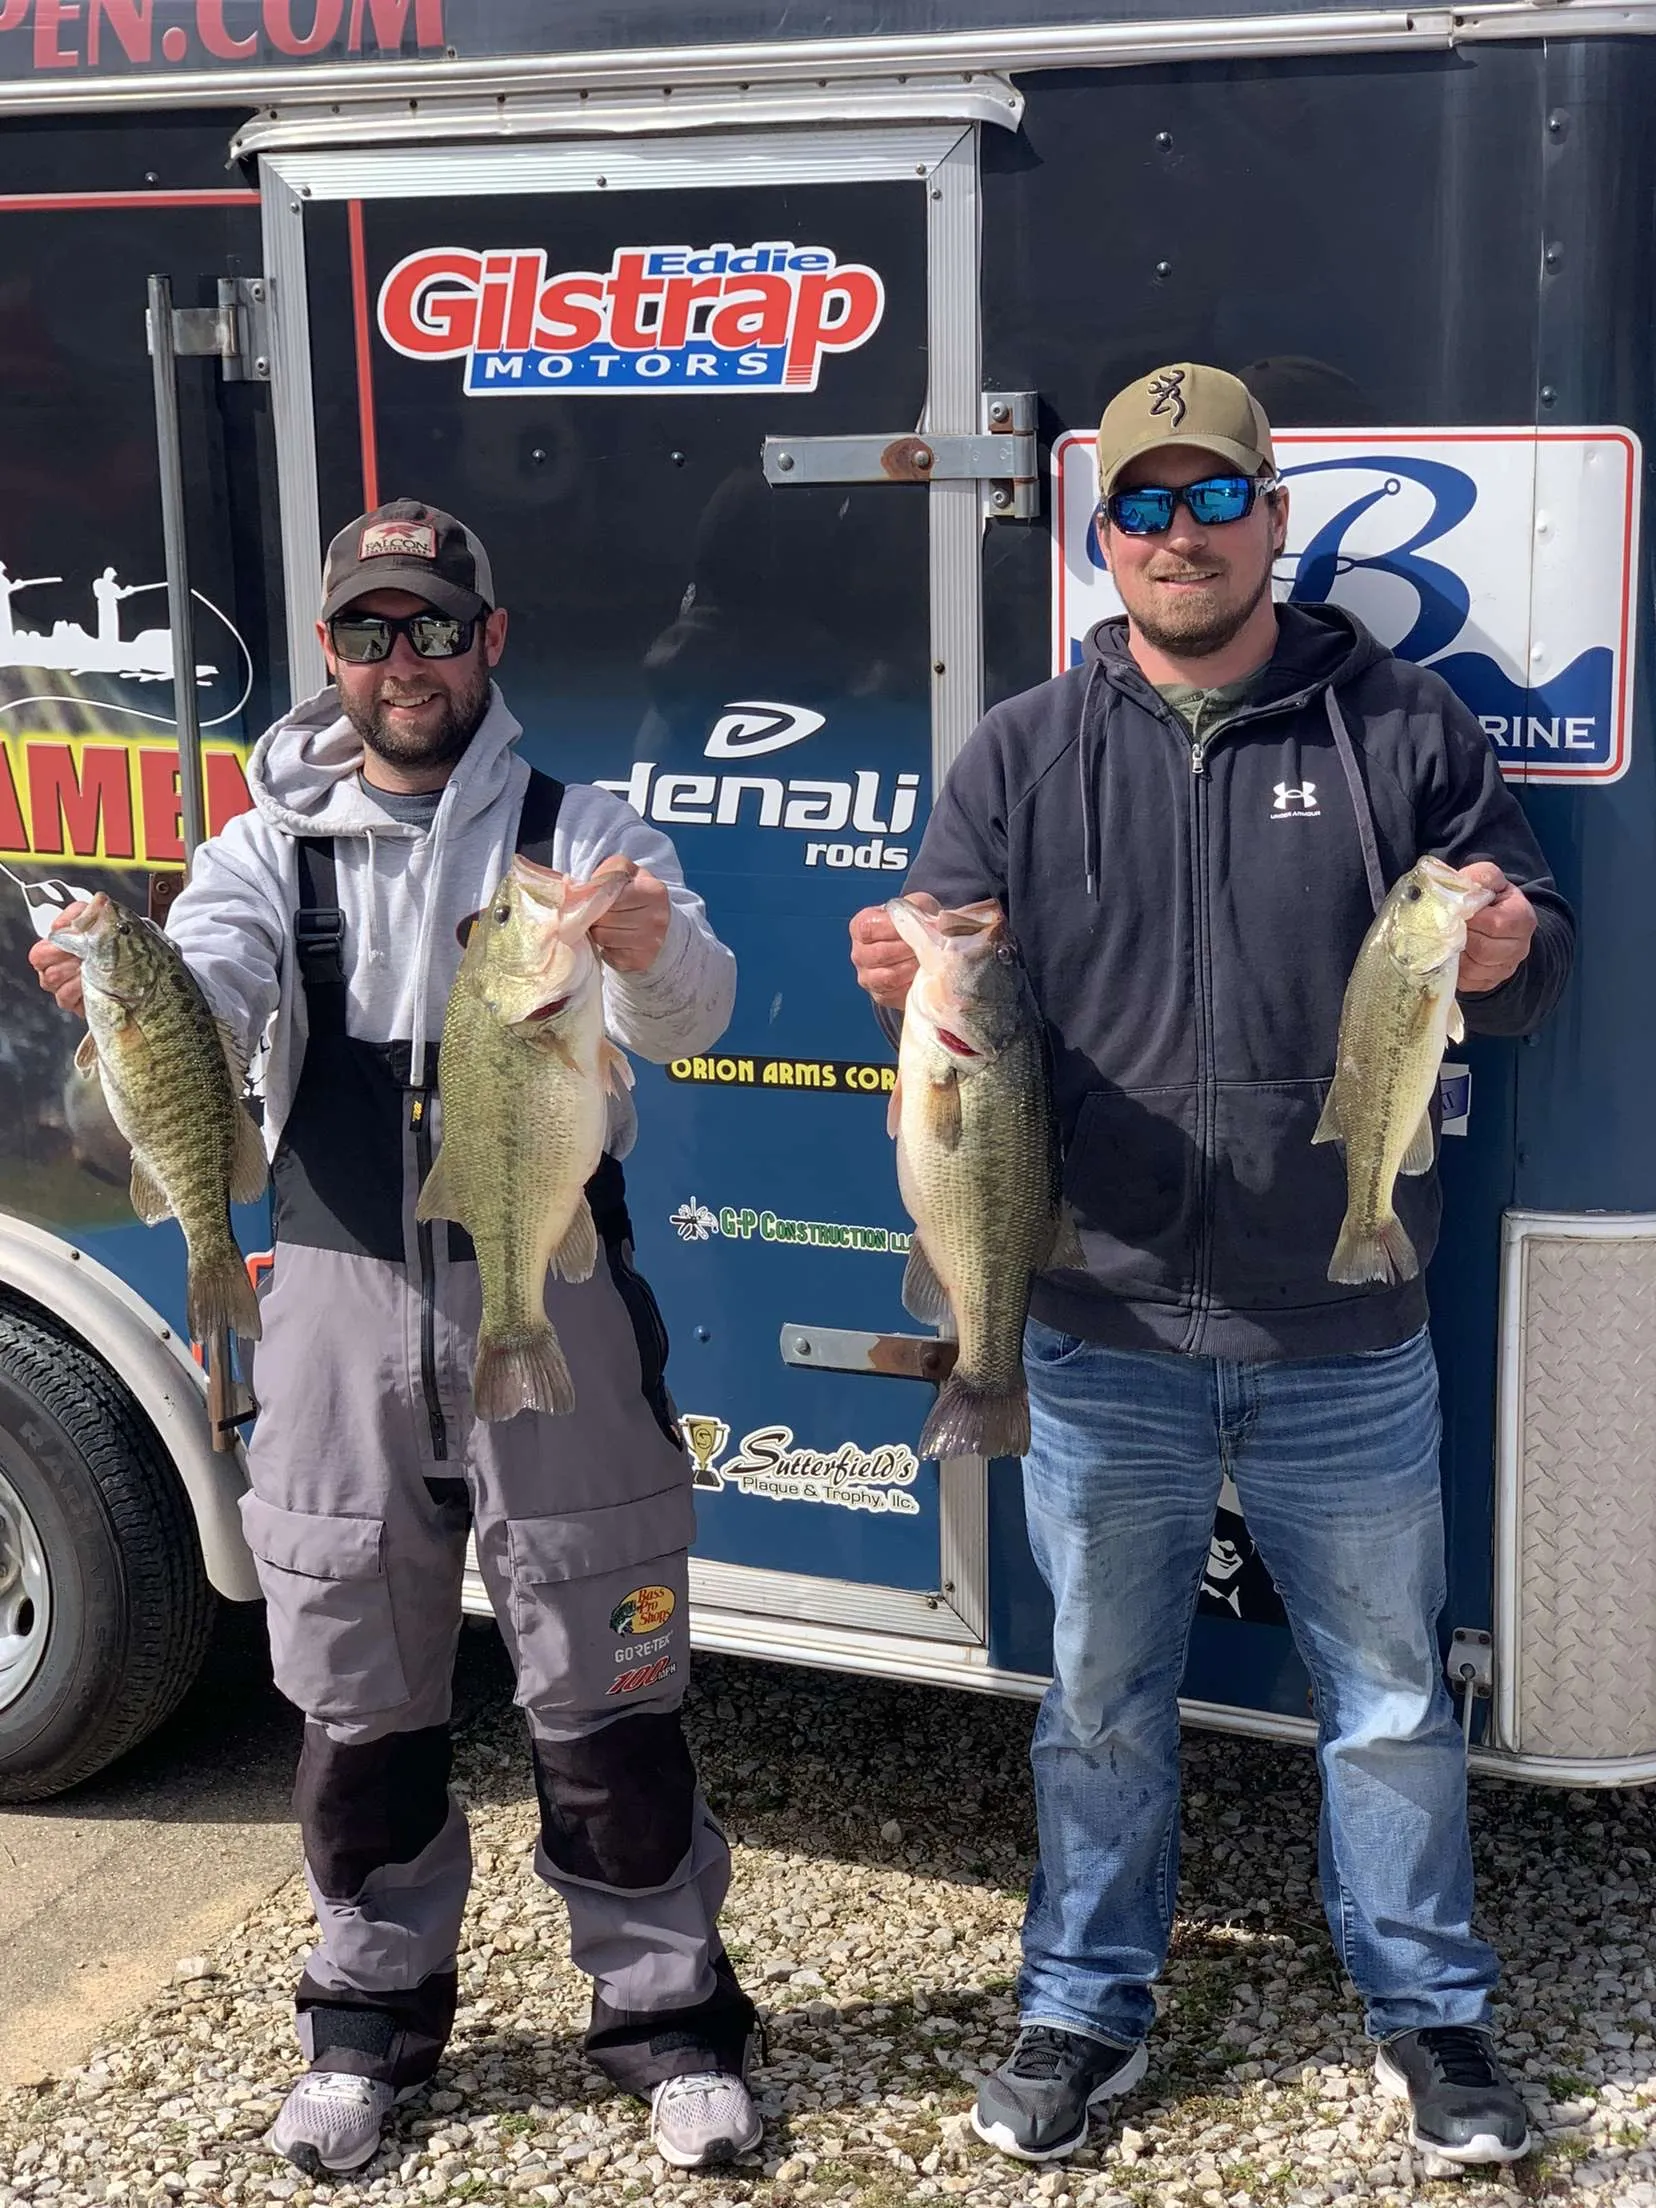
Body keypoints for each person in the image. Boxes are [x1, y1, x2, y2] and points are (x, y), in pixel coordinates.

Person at [849, 366, 1572, 2170]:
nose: (1185, 537)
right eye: (1149, 507)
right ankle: (1085, 2002)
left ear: (1274, 517)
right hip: (1095, 1329)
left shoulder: (1399, 727)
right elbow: (945, 969)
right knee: (1099, 1703)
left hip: (1344, 1326)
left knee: (1388, 1703)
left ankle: (1432, 2012)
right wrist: (901, 969)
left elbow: (1534, 949)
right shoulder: (1021, 748)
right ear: (1103, 538)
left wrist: (1504, 946)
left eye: (1218, 499)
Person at [32, 500, 760, 2179]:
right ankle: (366, 2022)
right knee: (355, 1696)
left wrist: (645, 947)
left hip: (549, 1282)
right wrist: (131, 997)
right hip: (336, 1304)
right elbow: (213, 990)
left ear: (489, 641)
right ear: (331, 654)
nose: (403, 661)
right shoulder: (259, 851)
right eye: (369, 631)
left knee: (607, 1683)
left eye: (433, 626)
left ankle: (667, 2021)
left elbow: (697, 1008)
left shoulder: (581, 830)